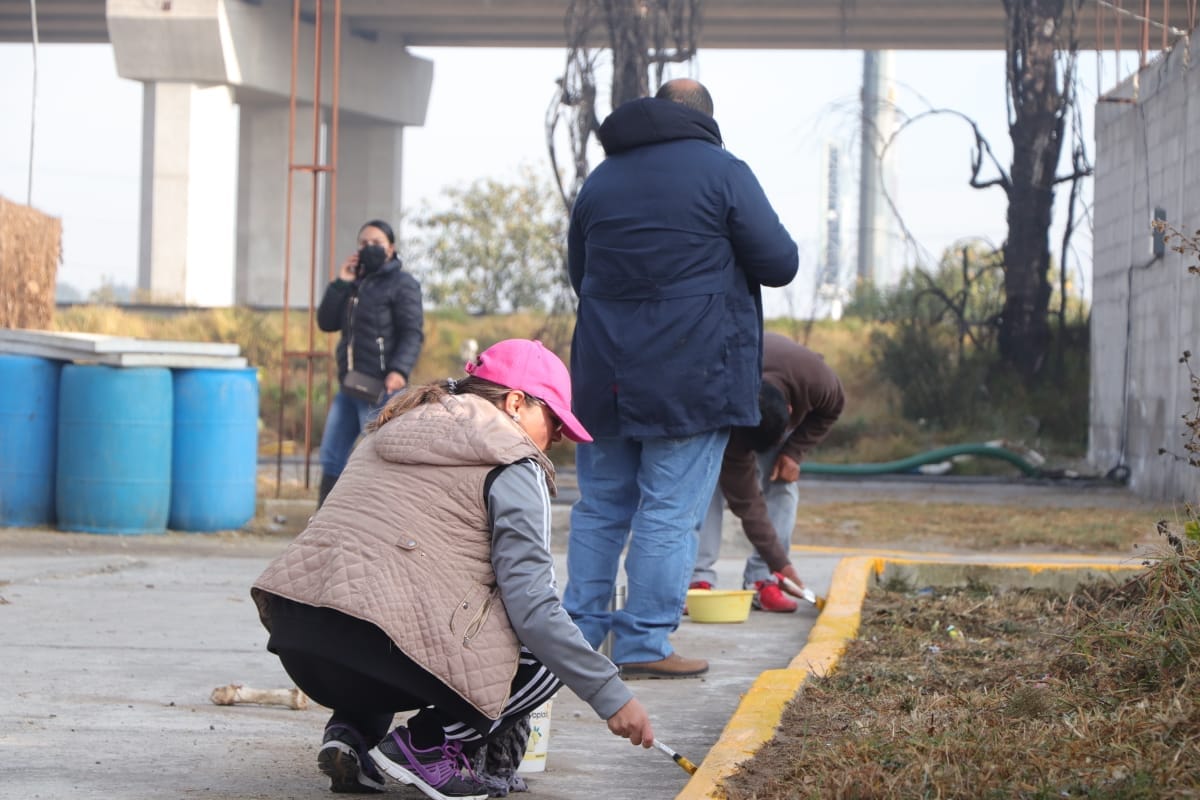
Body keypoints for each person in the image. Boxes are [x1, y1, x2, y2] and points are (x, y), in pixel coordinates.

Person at [251, 339, 654, 800]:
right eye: (555, 418)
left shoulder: (388, 427)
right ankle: (427, 746)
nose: (559, 435)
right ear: (516, 403)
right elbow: (534, 608)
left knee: (383, 599)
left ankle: (353, 733)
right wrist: (611, 695)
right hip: (377, 646)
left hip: (300, 634)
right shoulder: (513, 462)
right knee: (543, 655)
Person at [562, 78, 799, 679]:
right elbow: (780, 263)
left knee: (599, 509)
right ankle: (642, 642)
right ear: (705, 119)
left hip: (603, 374)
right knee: (669, 512)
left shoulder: (602, 178)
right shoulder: (723, 172)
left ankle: (577, 637)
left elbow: (580, 272)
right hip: (690, 376)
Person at [689, 332, 846, 612]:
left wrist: (792, 451)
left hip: (777, 399)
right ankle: (697, 580)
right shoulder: (730, 401)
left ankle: (764, 580)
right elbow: (749, 505)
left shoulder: (817, 379)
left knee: (784, 485)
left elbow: (832, 410)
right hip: (722, 404)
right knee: (708, 481)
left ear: (791, 409)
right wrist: (782, 561)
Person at [315, 218, 424, 506]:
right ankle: (325, 523)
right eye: (364, 243)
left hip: (382, 387)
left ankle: (380, 519)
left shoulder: (403, 284)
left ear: (391, 248)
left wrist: (399, 370)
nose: (370, 248)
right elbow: (326, 322)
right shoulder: (354, 285)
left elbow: (412, 333)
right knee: (332, 456)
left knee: (378, 458)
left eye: (377, 243)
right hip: (350, 385)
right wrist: (341, 283)